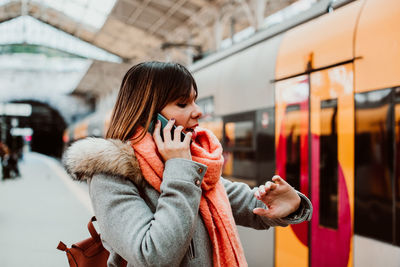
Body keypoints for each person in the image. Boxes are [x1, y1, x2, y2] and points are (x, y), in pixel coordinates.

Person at [63, 61, 312, 267]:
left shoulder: (189, 162)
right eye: (182, 104)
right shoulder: (112, 175)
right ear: (148, 114)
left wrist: (291, 204)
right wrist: (180, 169)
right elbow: (153, 254)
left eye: (195, 100)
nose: (198, 111)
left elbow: (248, 205)